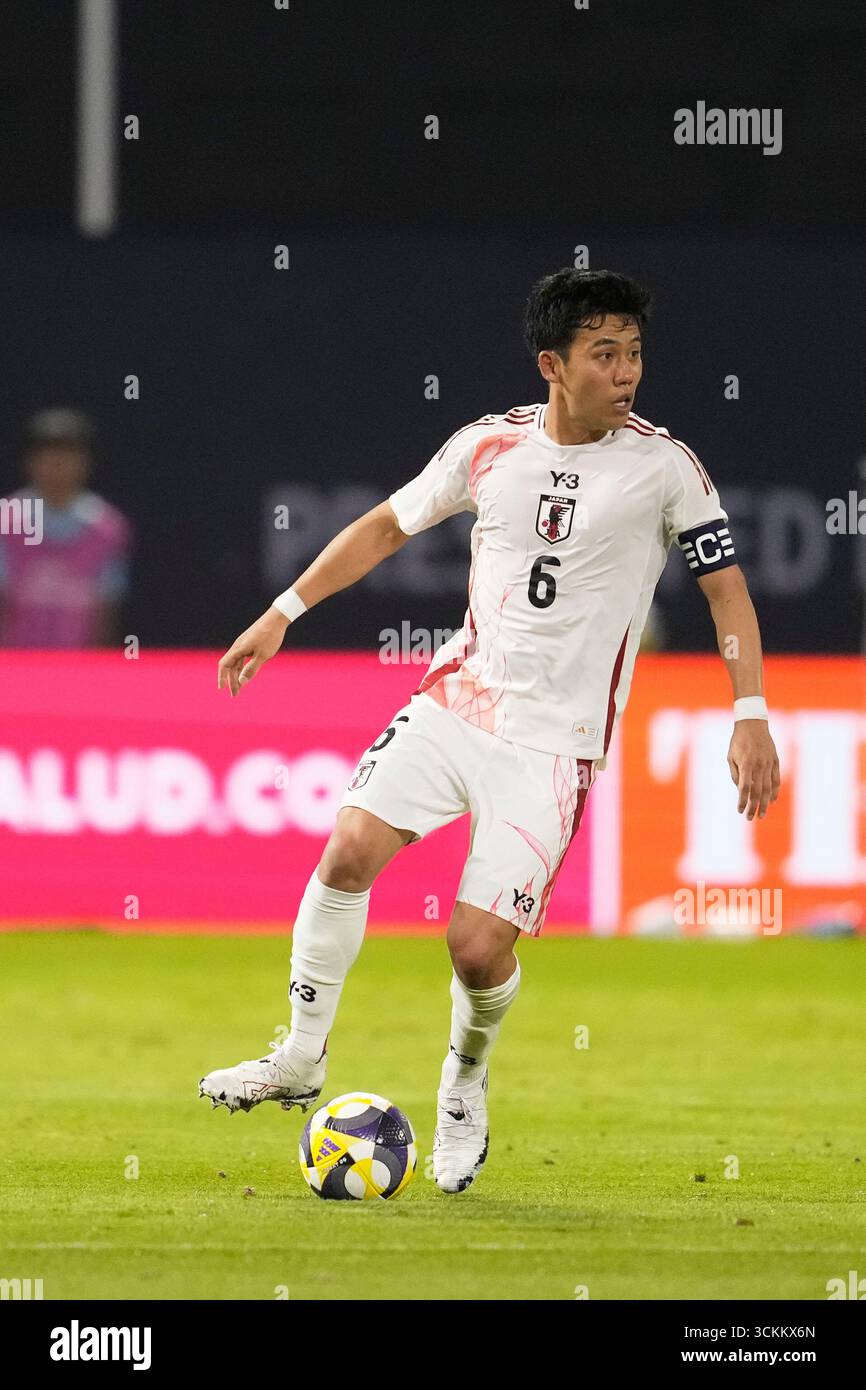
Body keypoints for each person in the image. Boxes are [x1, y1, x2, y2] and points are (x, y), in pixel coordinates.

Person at [200, 268, 781, 1194]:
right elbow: (388, 526)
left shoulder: (665, 467)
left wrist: (750, 712)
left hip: (555, 742)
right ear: (554, 363)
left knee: (475, 949)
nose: (627, 372)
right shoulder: (487, 447)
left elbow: (727, 591)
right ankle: (301, 1057)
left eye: (634, 352)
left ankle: (463, 1082)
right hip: (457, 702)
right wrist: (283, 611)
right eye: (605, 354)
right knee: (348, 847)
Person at [0, 408, 132, 648]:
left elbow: (105, 614)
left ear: (85, 462)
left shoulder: (107, 527)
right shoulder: (6, 521)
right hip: (14, 668)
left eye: (68, 453)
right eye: (48, 454)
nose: (58, 463)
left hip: (77, 670)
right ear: (30, 461)